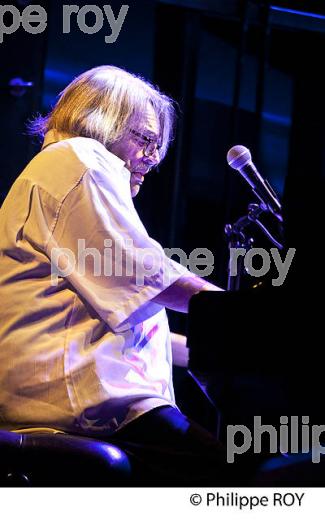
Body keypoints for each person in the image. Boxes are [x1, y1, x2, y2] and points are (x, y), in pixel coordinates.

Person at [0, 65, 236, 485]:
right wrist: (240, 317)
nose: (153, 158)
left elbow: (120, 317)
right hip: (83, 407)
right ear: (99, 120)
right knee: (247, 484)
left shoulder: (62, 171)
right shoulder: (78, 159)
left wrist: (229, 344)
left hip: (80, 401)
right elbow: (145, 270)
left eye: (157, 147)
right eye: (145, 139)